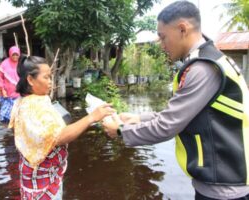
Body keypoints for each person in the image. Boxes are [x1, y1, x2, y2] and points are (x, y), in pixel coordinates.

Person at [103, 1, 249, 200]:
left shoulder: (203, 69)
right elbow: (180, 115)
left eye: (163, 37)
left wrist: (120, 130)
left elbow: (166, 126)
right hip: (226, 177)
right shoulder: (213, 59)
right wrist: (137, 118)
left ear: (182, 29)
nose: (162, 45)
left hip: (223, 189)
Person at [8, 56, 114, 199]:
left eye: (50, 77)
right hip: (42, 176)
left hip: (35, 171)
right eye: (46, 77)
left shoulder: (24, 101)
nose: (51, 82)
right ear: (30, 80)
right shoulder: (33, 106)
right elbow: (58, 136)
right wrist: (92, 117)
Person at [0, 46, 21, 123]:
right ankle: (8, 131)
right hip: (7, 93)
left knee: (17, 114)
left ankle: (14, 130)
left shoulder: (21, 64)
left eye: (17, 55)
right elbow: (0, 79)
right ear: (10, 54)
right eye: (13, 54)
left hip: (18, 92)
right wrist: (3, 90)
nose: (15, 56)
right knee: (5, 115)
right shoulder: (4, 64)